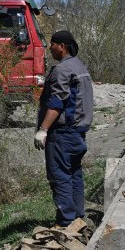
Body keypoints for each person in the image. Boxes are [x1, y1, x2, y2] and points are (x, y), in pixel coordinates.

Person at [34, 30, 94, 228]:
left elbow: (57, 102)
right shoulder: (80, 66)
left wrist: (43, 129)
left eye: (52, 44)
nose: (49, 47)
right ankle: (77, 218)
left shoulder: (63, 69)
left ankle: (66, 222)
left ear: (61, 46)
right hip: (78, 132)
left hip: (63, 133)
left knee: (59, 175)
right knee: (74, 173)